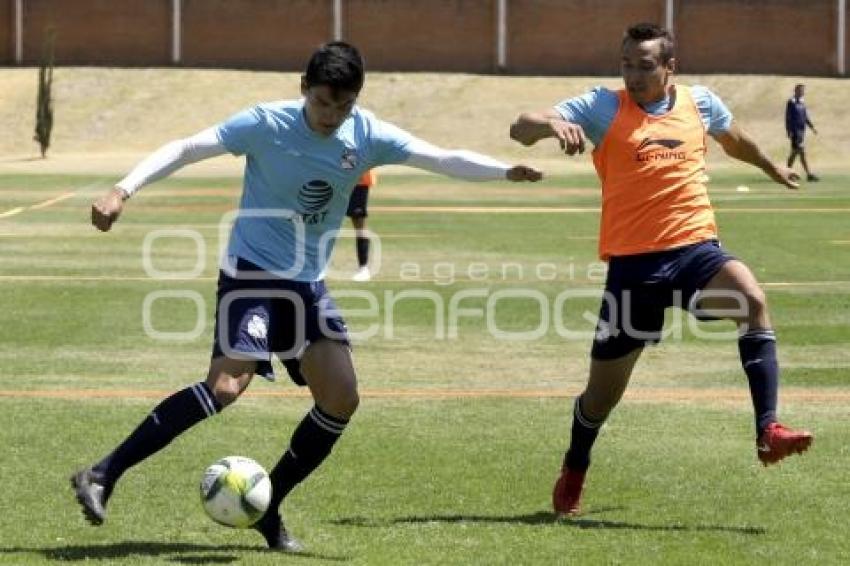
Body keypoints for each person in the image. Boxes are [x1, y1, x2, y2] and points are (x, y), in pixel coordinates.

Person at [74, 41, 542, 551]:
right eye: (322, 103)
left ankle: (268, 508)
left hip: (306, 286)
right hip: (251, 273)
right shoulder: (266, 124)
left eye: (343, 106)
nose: (331, 116)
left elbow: (440, 157)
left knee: (341, 397)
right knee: (227, 387)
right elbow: (188, 147)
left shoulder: (366, 134)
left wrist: (503, 171)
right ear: (304, 89)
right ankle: (103, 473)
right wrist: (122, 189)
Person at [510, 23, 813, 518]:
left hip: (695, 250)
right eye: (626, 63)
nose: (632, 74)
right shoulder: (603, 107)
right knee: (599, 399)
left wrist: (770, 167)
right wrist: (549, 125)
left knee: (752, 300)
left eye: (645, 65)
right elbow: (519, 128)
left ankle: (768, 429)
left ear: (671, 68)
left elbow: (734, 140)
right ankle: (575, 464)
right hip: (633, 270)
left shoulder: (700, 103)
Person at [786, 83, 819, 181]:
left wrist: (812, 127)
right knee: (800, 152)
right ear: (796, 91)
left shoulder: (802, 103)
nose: (803, 92)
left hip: (801, 132)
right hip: (795, 132)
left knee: (796, 153)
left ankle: (788, 173)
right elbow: (787, 118)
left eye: (803, 90)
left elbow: (805, 117)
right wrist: (789, 130)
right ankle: (807, 174)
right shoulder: (791, 103)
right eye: (801, 90)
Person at [347, 169, 375, 281]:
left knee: (359, 223)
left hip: (358, 181)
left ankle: (363, 268)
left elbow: (349, 157)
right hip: (338, 179)